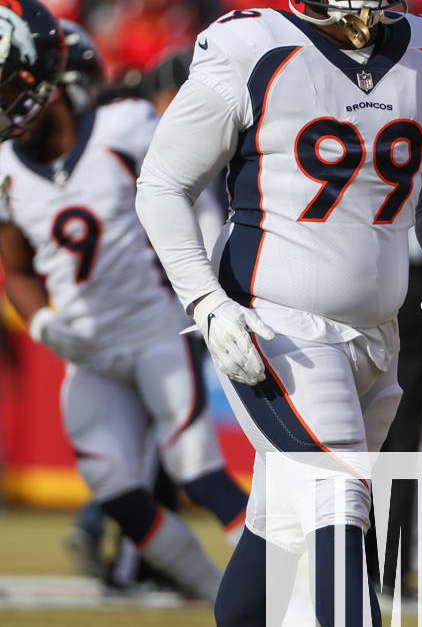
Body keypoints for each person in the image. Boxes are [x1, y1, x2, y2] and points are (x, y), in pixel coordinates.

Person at [136, 1, 422, 625]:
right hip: (277, 322)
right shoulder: (250, 44)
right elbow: (162, 183)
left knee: (281, 531)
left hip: (378, 332)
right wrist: (206, 302)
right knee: (341, 500)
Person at [0, 1, 246, 602]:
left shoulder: (125, 125)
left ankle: (301, 581)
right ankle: (219, 596)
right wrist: (44, 325)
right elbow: (16, 268)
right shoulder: (5, 167)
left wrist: (209, 274)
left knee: (200, 473)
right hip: (88, 351)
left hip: (156, 330)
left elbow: (194, 193)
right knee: (117, 494)